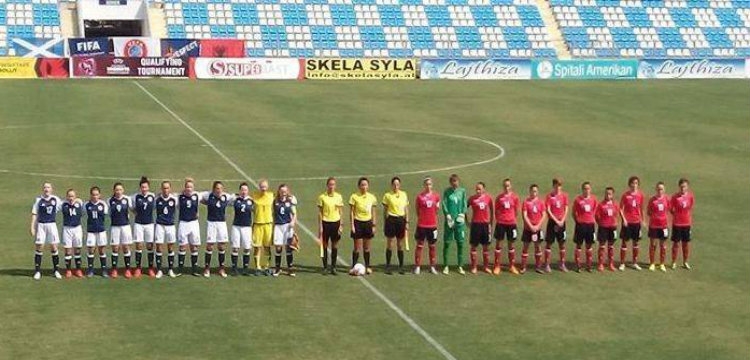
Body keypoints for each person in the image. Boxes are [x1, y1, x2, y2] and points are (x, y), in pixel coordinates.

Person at [201, 181, 233, 278]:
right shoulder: (208, 195)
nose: (219, 190)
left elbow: (235, 197)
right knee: (210, 246)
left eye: (221, 188)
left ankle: (221, 269)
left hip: (222, 224)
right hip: (211, 223)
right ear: (214, 189)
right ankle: (207, 268)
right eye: (217, 188)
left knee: (222, 246)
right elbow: (199, 198)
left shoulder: (225, 197)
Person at [31, 182, 62, 280]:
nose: (46, 189)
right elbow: (34, 213)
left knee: (53, 247)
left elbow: (66, 205)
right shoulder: (38, 200)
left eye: (48, 187)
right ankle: (37, 271)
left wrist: (77, 199)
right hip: (41, 225)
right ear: (43, 189)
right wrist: (32, 227)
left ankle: (56, 270)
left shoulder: (56, 199)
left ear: (51, 189)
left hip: (51, 225)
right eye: (45, 187)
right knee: (40, 247)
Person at [348, 177, 377, 275]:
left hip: (368, 223)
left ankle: (368, 266)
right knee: (357, 247)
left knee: (367, 247)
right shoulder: (354, 197)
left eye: (365, 185)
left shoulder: (372, 197)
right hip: (357, 222)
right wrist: (352, 224)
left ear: (368, 186)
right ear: (359, 186)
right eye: (362, 185)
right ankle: (353, 266)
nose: (364, 187)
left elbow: (373, 211)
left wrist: (374, 225)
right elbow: (351, 212)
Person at [382, 176, 409, 275]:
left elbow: (406, 209)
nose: (396, 186)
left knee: (400, 244)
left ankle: (401, 266)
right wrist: (385, 222)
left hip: (401, 220)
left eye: (397, 184)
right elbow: (385, 210)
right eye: (394, 184)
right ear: (391, 185)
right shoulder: (387, 195)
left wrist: (407, 222)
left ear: (400, 185)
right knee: (390, 243)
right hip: (391, 219)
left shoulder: (404, 194)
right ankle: (388, 266)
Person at [441, 174, 468, 275]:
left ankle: (460, 266)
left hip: (459, 222)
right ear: (450, 182)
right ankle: (445, 266)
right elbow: (444, 203)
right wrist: (447, 215)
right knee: (447, 243)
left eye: (456, 181)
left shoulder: (462, 191)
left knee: (460, 243)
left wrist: (462, 213)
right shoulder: (447, 192)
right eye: (452, 181)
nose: (454, 183)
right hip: (449, 221)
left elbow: (464, 204)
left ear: (458, 181)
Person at [414, 177, 440, 275]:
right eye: (426, 184)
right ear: (424, 185)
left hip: (432, 225)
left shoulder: (436, 196)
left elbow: (437, 210)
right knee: (419, 246)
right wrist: (422, 218)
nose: (428, 186)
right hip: (422, 225)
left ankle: (432, 266)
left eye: (430, 184)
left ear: (432, 185)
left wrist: (432, 218)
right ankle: (417, 266)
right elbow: (417, 210)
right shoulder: (419, 197)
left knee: (432, 246)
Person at [493, 178, 520, 275]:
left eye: (508, 185)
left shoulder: (515, 197)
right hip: (501, 223)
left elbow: (516, 211)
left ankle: (512, 266)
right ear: (503, 186)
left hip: (511, 224)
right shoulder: (499, 198)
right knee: (498, 245)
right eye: (505, 186)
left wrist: (511, 218)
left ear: (511, 186)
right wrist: (500, 219)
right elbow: (496, 210)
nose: (506, 187)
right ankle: (497, 266)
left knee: (511, 245)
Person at [317, 177, 343, 275]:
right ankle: (325, 267)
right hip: (325, 223)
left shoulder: (339, 197)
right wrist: (320, 226)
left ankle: (333, 267)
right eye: (330, 184)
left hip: (335, 223)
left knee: (335, 245)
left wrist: (341, 224)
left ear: (335, 186)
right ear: (327, 185)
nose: (331, 186)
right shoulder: (322, 197)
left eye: (333, 184)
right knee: (324, 246)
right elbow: (320, 212)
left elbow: (341, 211)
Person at [619, 176, 645, 271]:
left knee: (636, 242)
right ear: (629, 184)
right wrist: (624, 219)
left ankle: (635, 262)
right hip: (627, 223)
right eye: (633, 183)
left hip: (636, 222)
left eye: (636, 183)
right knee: (624, 242)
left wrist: (643, 220)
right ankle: (622, 263)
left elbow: (641, 208)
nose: (634, 185)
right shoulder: (625, 195)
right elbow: (621, 208)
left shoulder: (640, 195)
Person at [132, 176, 155, 278]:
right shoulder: (135, 197)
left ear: (148, 187)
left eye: (145, 187)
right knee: (139, 245)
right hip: (139, 224)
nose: (144, 189)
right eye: (142, 187)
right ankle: (138, 268)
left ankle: (150, 268)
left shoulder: (153, 196)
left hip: (149, 224)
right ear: (140, 188)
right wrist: (135, 213)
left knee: (150, 245)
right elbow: (131, 207)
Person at [544, 178, 569, 273]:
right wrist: (556, 220)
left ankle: (562, 264)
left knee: (562, 243)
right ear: (553, 185)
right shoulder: (549, 196)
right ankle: (546, 265)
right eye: (557, 185)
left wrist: (562, 220)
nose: (558, 187)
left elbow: (566, 208)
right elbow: (548, 210)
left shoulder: (564, 196)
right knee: (549, 243)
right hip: (552, 223)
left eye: (560, 185)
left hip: (562, 222)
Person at [467, 182, 493, 274]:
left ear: (484, 189)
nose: (478, 190)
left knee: (486, 247)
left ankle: (485, 266)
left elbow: (491, 210)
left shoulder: (488, 198)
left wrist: (491, 223)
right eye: (477, 189)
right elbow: (464, 209)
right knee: (473, 246)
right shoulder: (472, 199)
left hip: (485, 225)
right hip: (475, 225)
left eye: (480, 189)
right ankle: (474, 267)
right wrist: (467, 221)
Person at [109, 182, 134, 279]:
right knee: (115, 248)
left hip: (125, 226)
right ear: (114, 191)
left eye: (120, 190)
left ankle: (127, 269)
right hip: (115, 227)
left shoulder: (127, 199)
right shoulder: (110, 200)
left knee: (126, 247)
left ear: (123, 190)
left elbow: (133, 209)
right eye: (117, 190)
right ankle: (114, 269)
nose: (118, 191)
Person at [154, 181, 178, 278]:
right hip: (160, 225)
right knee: (159, 247)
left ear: (170, 189)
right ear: (161, 189)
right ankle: (159, 270)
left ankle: (170, 269)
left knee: (170, 247)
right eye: (164, 188)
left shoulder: (174, 199)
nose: (166, 190)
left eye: (167, 188)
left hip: (170, 226)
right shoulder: (157, 199)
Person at [177, 178, 201, 276]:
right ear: (184, 188)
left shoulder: (197, 196)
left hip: (194, 223)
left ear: (193, 188)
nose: (189, 189)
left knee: (194, 247)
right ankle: (180, 269)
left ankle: (194, 269)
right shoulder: (179, 197)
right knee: (182, 246)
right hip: (183, 223)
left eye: (191, 187)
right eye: (187, 187)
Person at [272, 184, 297, 277]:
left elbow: (294, 213)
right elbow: (273, 214)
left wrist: (293, 222)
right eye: (281, 191)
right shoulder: (275, 201)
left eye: (285, 191)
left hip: (287, 226)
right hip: (278, 226)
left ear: (287, 191)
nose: (283, 193)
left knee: (288, 248)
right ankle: (277, 268)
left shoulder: (290, 201)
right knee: (278, 247)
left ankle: (290, 268)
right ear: (279, 191)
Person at [521, 184, 546, 274]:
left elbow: (543, 215)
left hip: (537, 229)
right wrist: (531, 226)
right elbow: (524, 215)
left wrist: (537, 226)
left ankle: (538, 267)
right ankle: (523, 267)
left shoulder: (541, 202)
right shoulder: (526, 202)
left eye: (535, 191)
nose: (534, 193)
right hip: (528, 229)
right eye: (532, 191)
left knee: (538, 247)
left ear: (537, 192)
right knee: (525, 247)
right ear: (530, 191)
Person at [572, 182, 597, 272]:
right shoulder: (578, 200)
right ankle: (578, 265)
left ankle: (588, 265)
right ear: (582, 189)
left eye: (588, 189)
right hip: (581, 225)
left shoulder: (593, 200)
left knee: (589, 245)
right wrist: (578, 221)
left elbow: (594, 211)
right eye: (585, 189)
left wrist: (591, 219)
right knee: (579, 244)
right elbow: (574, 213)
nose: (587, 190)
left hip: (590, 225)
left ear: (590, 189)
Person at [252, 179, 275, 275]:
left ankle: (266, 266)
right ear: (259, 187)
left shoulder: (271, 195)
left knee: (267, 247)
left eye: (265, 186)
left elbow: (283, 196)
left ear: (268, 187)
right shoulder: (254, 196)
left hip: (268, 224)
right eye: (261, 187)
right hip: (257, 224)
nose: (263, 188)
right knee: (257, 247)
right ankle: (257, 267)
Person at [670, 178, 694, 270]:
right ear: (679, 187)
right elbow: (671, 209)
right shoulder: (675, 197)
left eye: (684, 186)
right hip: (677, 224)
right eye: (681, 186)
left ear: (687, 187)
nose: (683, 188)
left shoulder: (690, 197)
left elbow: (690, 207)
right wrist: (676, 215)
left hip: (686, 224)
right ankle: (674, 262)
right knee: (676, 243)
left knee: (685, 244)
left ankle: (685, 262)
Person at [84, 186, 109, 277]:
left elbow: (105, 214)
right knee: (91, 250)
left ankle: (104, 270)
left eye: (97, 194)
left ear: (99, 195)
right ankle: (90, 270)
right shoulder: (86, 205)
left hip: (101, 230)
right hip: (91, 230)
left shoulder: (103, 204)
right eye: (93, 195)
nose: (95, 196)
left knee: (102, 250)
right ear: (90, 195)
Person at [230, 183, 254, 276]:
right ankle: (234, 268)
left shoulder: (251, 200)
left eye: (245, 190)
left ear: (248, 191)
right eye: (242, 190)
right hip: (236, 226)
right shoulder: (235, 199)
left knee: (247, 248)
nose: (244, 191)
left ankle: (245, 268)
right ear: (240, 190)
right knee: (235, 247)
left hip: (247, 227)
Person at [647, 182, 670, 272]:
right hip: (653, 225)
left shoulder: (667, 199)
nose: (660, 190)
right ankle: (652, 263)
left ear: (664, 190)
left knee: (663, 245)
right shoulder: (652, 200)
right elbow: (648, 212)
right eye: (658, 189)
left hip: (663, 226)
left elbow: (669, 209)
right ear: (656, 189)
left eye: (661, 189)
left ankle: (662, 264)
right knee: (653, 244)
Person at [61, 189, 84, 278]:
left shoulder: (80, 203)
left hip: (77, 228)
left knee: (77, 249)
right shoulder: (63, 204)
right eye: (69, 196)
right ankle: (68, 270)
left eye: (72, 196)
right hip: (67, 229)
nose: (71, 198)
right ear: (67, 197)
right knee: (68, 250)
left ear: (75, 196)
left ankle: (78, 269)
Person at [595, 187, 619, 272]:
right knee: (602, 246)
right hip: (603, 227)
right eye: (606, 193)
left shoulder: (615, 204)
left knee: (611, 246)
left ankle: (610, 264)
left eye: (609, 194)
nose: (608, 195)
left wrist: (615, 223)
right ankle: (601, 264)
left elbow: (616, 215)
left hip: (612, 228)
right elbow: (597, 216)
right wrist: (601, 224)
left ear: (612, 195)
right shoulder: (601, 204)